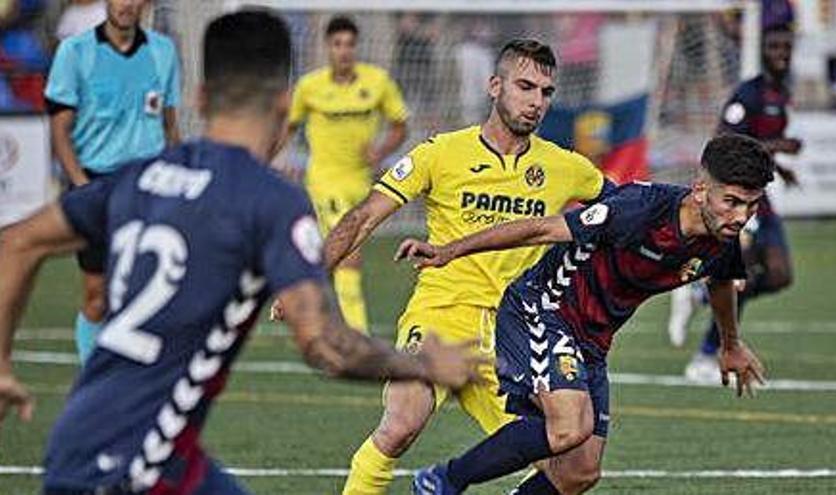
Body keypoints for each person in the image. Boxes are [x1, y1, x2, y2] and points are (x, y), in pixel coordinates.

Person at [0, 10, 483, 495]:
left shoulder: (139, 177)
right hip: (135, 461)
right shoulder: (270, 201)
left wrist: (1, 366)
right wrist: (424, 366)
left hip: (95, 441)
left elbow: (15, 242)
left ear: (200, 98)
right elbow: (326, 346)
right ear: (284, 103)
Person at [294, 38, 610, 495]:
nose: (536, 101)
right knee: (402, 423)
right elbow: (364, 216)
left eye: (545, 92)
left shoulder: (566, 167)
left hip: (515, 334)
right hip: (441, 317)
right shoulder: (439, 153)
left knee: (571, 470)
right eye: (525, 86)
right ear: (494, 86)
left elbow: (626, 211)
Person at [404, 134, 771, 495]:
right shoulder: (640, 208)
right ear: (701, 190)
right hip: (542, 308)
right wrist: (449, 251)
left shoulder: (722, 242)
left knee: (579, 473)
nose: (741, 217)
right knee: (568, 426)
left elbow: (722, 283)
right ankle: (441, 482)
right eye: (733, 202)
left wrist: (731, 344)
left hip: (592, 341)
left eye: (752, 206)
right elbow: (543, 228)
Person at [44, 0, 181, 363]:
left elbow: (169, 126)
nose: (126, 4)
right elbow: (60, 131)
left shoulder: (163, 52)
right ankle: (93, 377)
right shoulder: (75, 52)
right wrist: (82, 185)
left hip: (149, 185)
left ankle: (136, 378)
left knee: (147, 292)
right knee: (97, 296)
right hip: (95, 182)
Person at [672, 24, 799, 379]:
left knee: (779, 276)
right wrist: (776, 147)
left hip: (761, 198)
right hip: (737, 201)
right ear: (761, 50)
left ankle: (701, 295)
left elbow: (760, 147)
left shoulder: (780, 93)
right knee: (739, 274)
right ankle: (707, 354)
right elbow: (726, 140)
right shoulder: (748, 94)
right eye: (774, 46)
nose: (781, 53)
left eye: (786, 46)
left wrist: (781, 168)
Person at [283, 15, 408, 332]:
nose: (344, 51)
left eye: (350, 44)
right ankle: (356, 334)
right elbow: (288, 127)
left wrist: (380, 152)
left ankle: (311, 315)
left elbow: (399, 125)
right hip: (325, 182)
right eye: (337, 44)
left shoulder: (377, 82)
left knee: (330, 254)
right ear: (328, 47)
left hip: (362, 183)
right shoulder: (310, 86)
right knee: (348, 254)